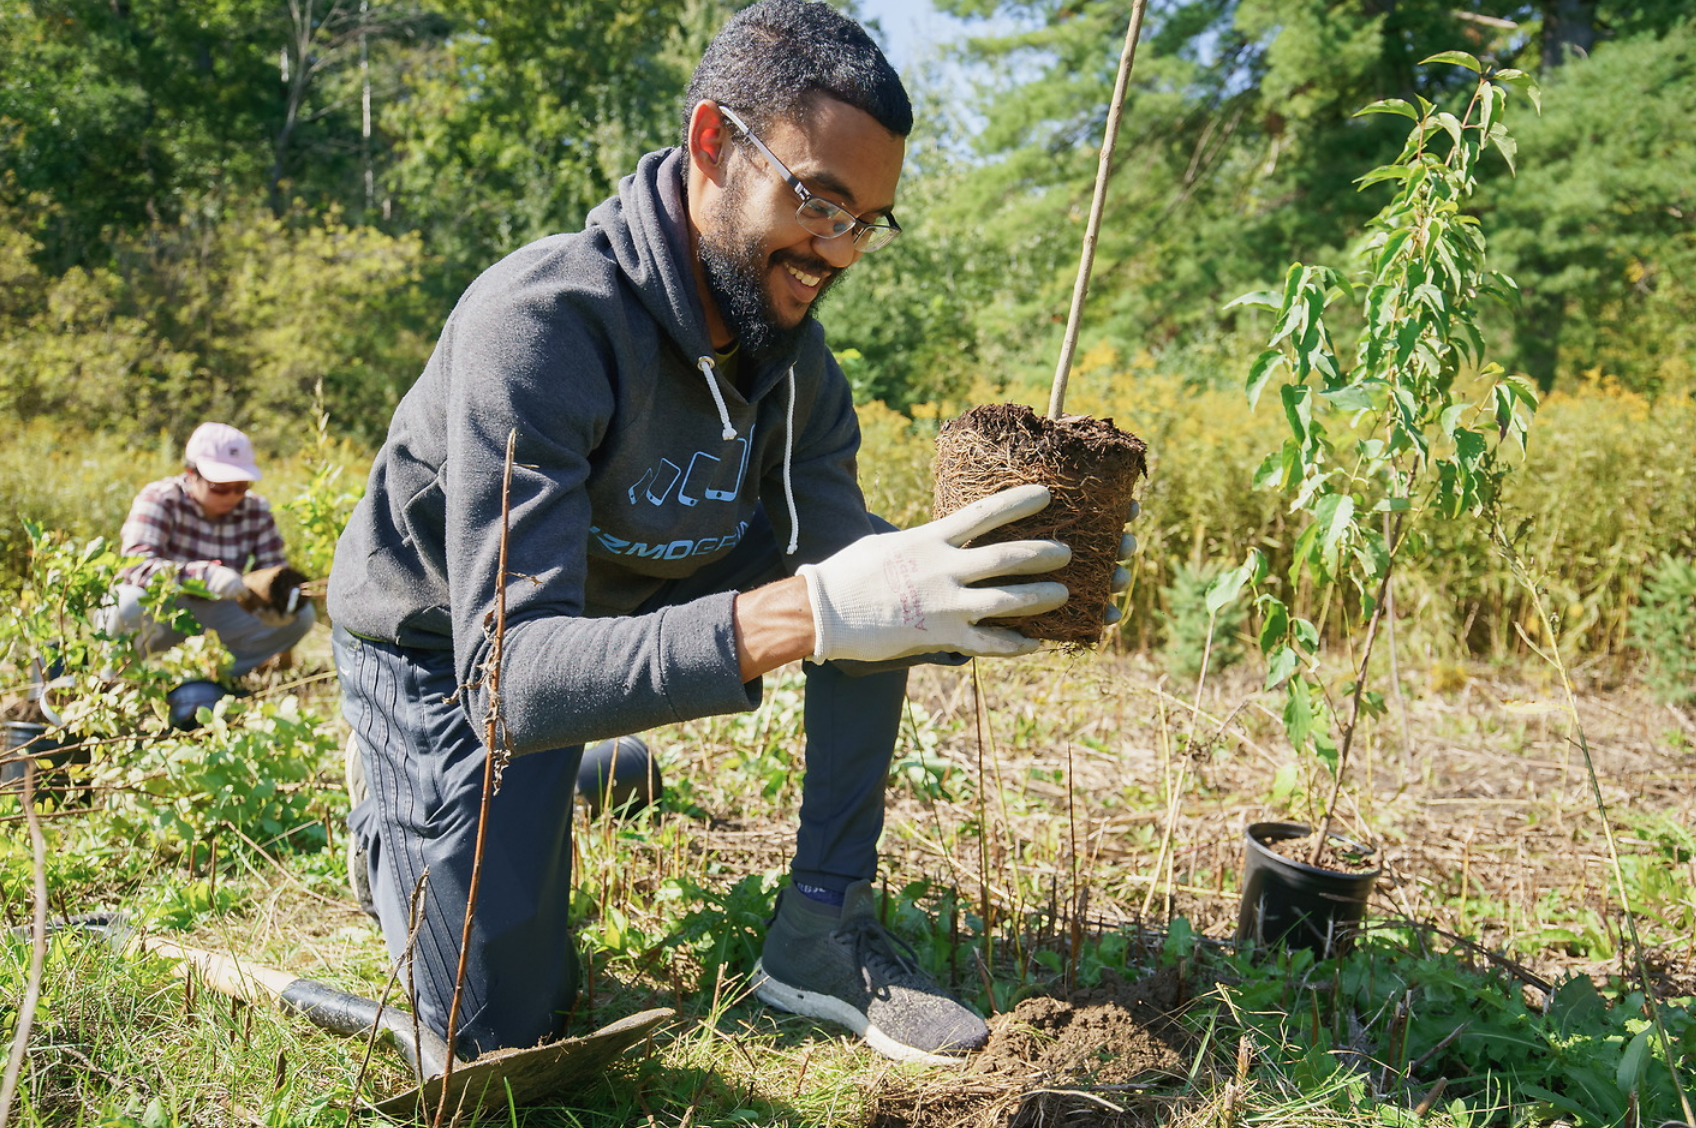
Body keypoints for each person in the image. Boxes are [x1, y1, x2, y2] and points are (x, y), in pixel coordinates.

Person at [329, 0, 1135, 1067]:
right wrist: (808, 610)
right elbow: (511, 676)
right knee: (496, 1023)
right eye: (818, 202)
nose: (838, 250)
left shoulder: (802, 377)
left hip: (620, 601)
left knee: (869, 580)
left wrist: (1008, 589)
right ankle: (397, 815)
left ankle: (819, 932)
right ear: (713, 143)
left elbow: (867, 597)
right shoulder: (540, 328)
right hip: (449, 649)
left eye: (868, 222)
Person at [109, 422, 316, 677]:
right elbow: (135, 566)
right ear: (191, 473)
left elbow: (273, 570)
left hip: (221, 613)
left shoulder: (256, 511)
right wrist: (204, 577)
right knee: (128, 604)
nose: (232, 496)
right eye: (220, 487)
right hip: (165, 609)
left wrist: (277, 604)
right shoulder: (160, 499)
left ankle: (210, 677)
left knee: (302, 617)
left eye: (241, 487)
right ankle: (117, 677)